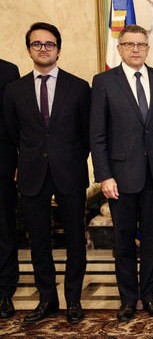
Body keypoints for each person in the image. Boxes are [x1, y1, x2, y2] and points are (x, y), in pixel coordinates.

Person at [3, 22, 90, 324]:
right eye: (37, 44)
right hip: (32, 174)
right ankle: (47, 299)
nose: (43, 49)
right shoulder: (14, 91)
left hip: (70, 173)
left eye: (49, 44)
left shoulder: (79, 87)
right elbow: (14, 133)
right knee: (39, 241)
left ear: (59, 49)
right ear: (29, 49)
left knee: (76, 240)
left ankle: (74, 299)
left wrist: (74, 160)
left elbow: (87, 134)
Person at [90, 25, 153, 322]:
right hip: (120, 177)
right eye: (129, 44)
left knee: (152, 239)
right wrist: (104, 176)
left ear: (148, 48)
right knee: (123, 241)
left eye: (141, 44)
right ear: (120, 48)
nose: (136, 49)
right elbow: (97, 134)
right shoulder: (103, 82)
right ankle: (127, 299)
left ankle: (150, 296)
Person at [0, 58, 19, 319]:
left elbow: (15, 121)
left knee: (4, 229)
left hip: (2, 164)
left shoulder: (7, 70)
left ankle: (4, 292)